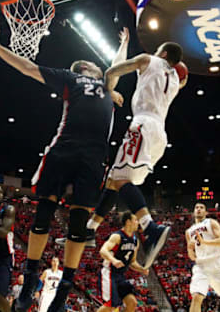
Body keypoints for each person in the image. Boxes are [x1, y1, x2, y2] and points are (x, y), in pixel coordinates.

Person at [0, 20, 124, 312]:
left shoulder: (107, 85)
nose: (98, 65)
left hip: (94, 156)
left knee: (78, 224)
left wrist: (124, 45)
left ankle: (63, 290)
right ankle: (28, 282)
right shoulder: (69, 78)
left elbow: (117, 67)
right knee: (44, 214)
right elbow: (28, 67)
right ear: (82, 68)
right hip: (64, 149)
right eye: (91, 62)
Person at [83, 40, 187, 269]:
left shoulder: (148, 60)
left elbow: (112, 71)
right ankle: (89, 230)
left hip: (142, 125)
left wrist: (109, 90)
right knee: (114, 179)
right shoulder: (175, 81)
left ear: (164, 52)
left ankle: (150, 228)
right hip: (160, 133)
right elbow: (181, 80)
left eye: (158, 48)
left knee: (120, 179)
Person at [98, 212, 149, 312]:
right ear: (128, 222)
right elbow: (103, 250)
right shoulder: (117, 236)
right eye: (136, 220)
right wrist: (113, 260)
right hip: (109, 273)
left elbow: (132, 262)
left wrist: (142, 269)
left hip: (120, 275)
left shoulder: (135, 241)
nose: (138, 222)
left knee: (132, 302)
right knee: (111, 306)